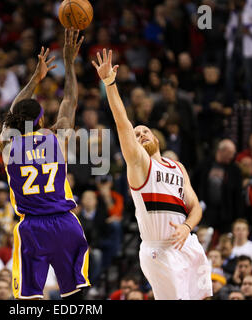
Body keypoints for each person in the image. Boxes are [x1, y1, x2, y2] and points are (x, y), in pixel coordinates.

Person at [91, 48, 212, 300]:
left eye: (145, 131)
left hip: (186, 243)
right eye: (137, 135)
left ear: (156, 137)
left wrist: (187, 227)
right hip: (159, 251)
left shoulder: (177, 167)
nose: (141, 135)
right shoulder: (139, 163)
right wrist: (110, 84)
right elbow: (122, 122)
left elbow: (195, 207)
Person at [0, 29, 89, 300]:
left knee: (30, 298)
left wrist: (34, 79)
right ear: (40, 120)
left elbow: (13, 113)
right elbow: (70, 101)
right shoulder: (56, 137)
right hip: (64, 222)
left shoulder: (8, 145)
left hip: (32, 227)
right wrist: (69, 63)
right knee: (74, 295)